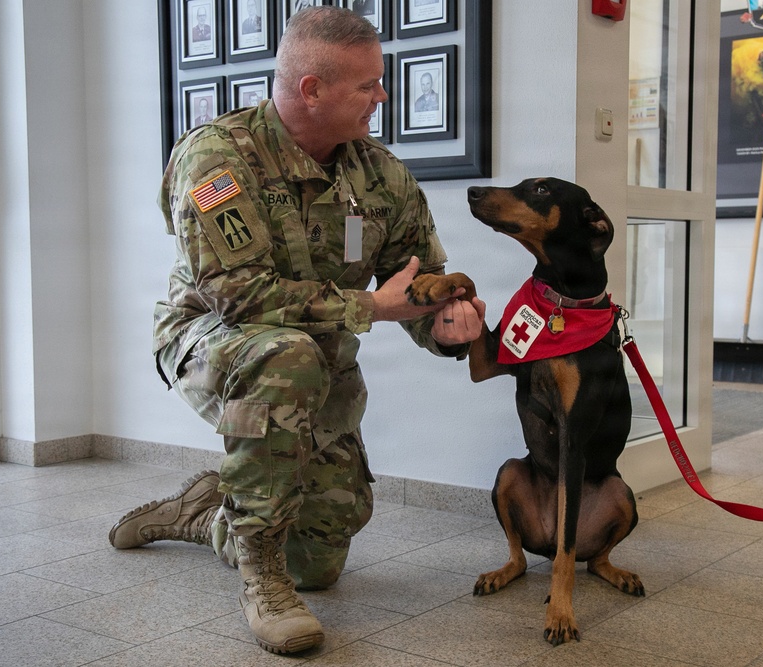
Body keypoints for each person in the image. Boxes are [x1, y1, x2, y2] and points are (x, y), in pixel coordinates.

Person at [109, 5, 485, 657]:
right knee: (287, 355)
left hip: (313, 359)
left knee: (321, 556)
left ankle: (207, 513)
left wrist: (446, 324)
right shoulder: (217, 160)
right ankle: (263, 581)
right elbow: (238, 295)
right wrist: (370, 308)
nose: (383, 96)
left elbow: (416, 279)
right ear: (312, 89)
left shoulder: (379, 174)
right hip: (209, 339)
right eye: (369, 85)